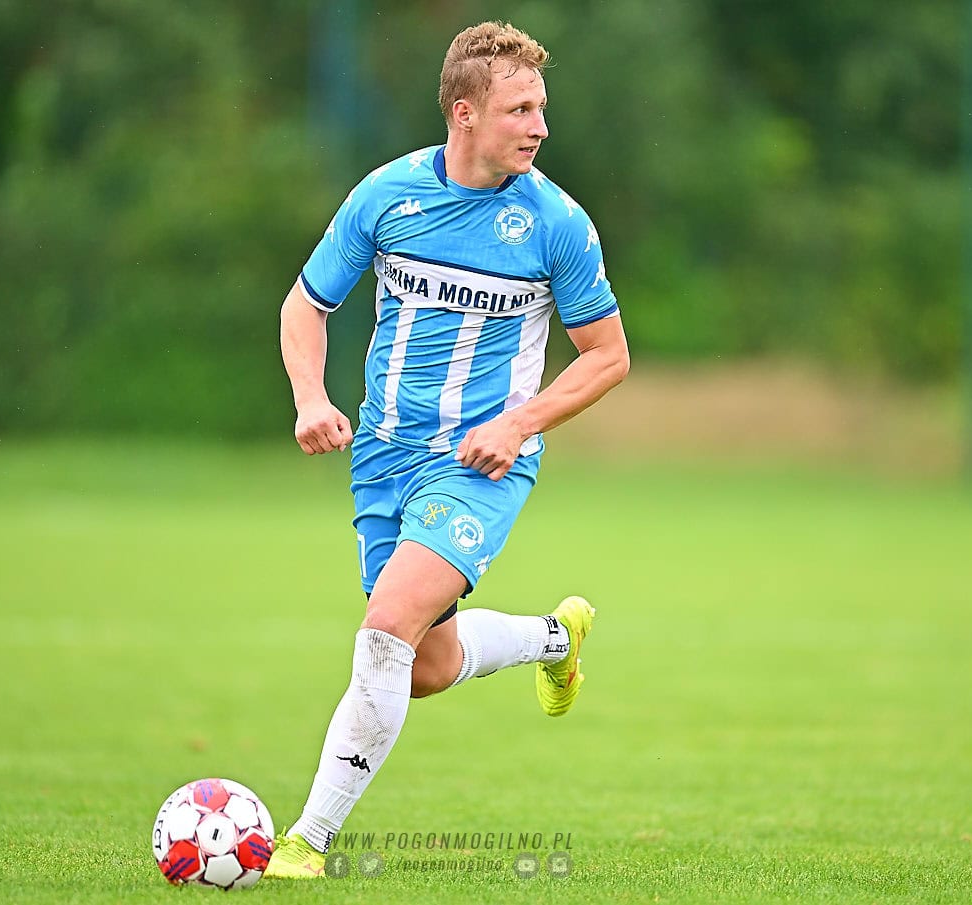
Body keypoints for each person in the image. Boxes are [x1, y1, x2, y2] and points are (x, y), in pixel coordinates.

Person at [264, 20, 629, 879]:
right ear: (464, 113)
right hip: (382, 458)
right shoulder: (387, 195)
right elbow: (305, 304)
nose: (540, 127)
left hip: (480, 464)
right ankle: (555, 638)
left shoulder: (556, 223)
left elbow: (608, 356)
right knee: (423, 666)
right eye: (520, 110)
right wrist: (311, 397)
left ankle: (305, 842)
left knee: (385, 628)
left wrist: (518, 424)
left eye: (541, 108)